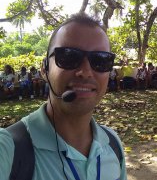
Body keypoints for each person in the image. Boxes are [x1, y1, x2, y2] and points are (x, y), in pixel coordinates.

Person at [0, 13, 127, 180]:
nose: (86, 72)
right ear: (44, 68)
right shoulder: (9, 149)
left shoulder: (113, 143)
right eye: (69, 56)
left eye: (101, 60)